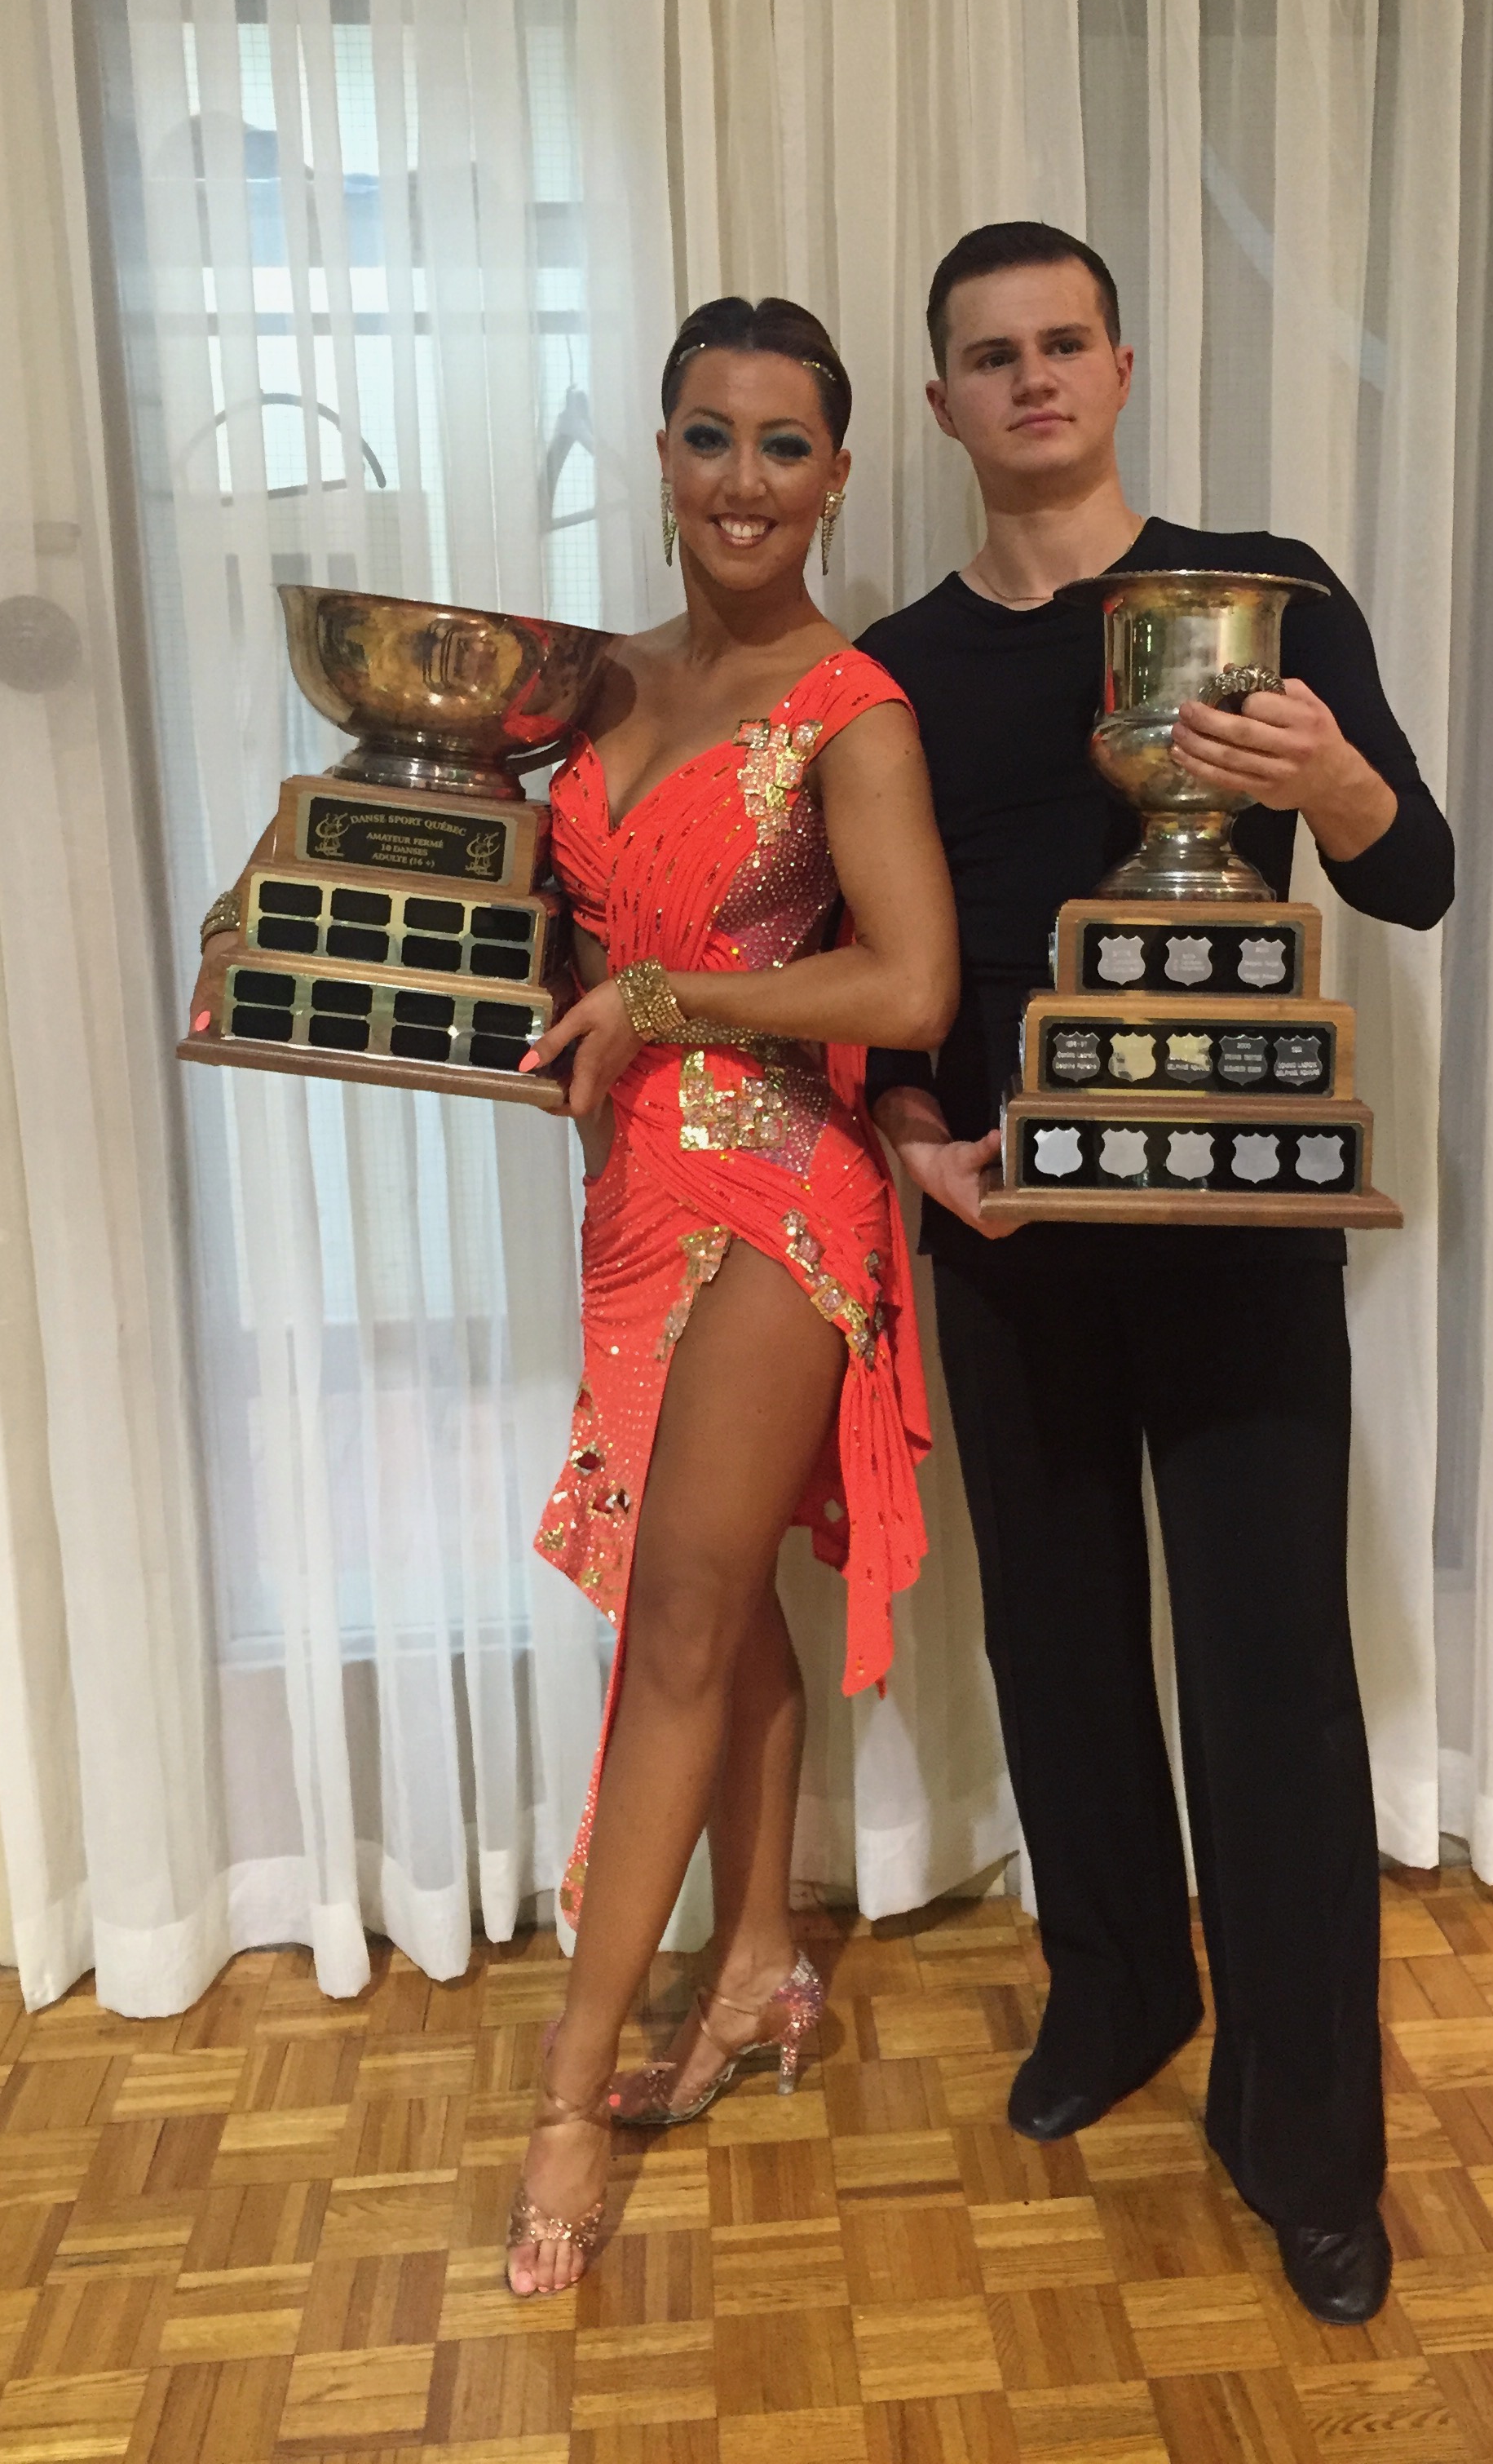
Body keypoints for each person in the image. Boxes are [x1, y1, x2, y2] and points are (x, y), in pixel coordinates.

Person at [860, 223, 1453, 2328]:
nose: (1029, 381)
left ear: (1121, 368)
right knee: (1058, 1638)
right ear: (940, 404)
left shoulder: (1261, 595)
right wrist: (922, 1148)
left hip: (1235, 1208)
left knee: (1276, 1677)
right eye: (986, 357)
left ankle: (1311, 2137)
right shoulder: (898, 661)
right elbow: (870, 958)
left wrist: (1339, 777)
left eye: (1060, 344)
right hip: (1012, 1211)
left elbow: (1421, 872)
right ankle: (1116, 1993)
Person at [505, 297, 956, 2293]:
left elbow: (910, 987)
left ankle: (568, 2091)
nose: (746, 481)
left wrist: (677, 998)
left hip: (784, 1183)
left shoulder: (852, 708)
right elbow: (537, 925)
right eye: (711, 438)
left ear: (839, 474)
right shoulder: (586, 686)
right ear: (660, 455)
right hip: (627, 1192)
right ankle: (766, 1954)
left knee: (679, 1613)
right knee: (710, 1587)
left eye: (787, 445)